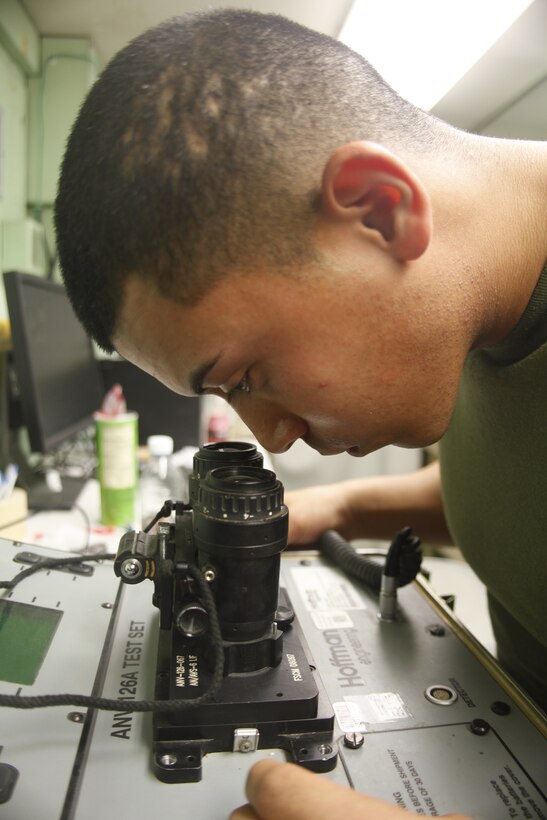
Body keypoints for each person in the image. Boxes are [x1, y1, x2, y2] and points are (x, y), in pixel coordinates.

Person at [54, 9, 546, 819]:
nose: (270, 436)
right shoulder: (483, 313)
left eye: (246, 375)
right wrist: (341, 508)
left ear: (378, 211)